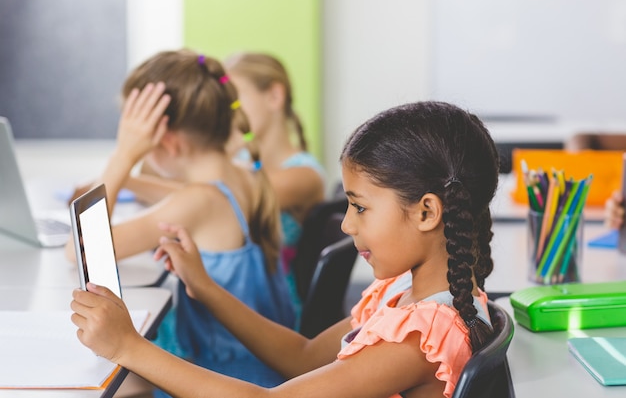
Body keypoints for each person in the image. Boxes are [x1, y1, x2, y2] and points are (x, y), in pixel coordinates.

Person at [71, 101, 500, 398]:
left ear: (427, 212)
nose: (347, 224)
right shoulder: (406, 294)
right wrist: (206, 288)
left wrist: (129, 346)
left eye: (360, 207)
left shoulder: (419, 338)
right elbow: (305, 357)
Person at [66, 49, 296, 389]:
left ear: (168, 141)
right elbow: (183, 195)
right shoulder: (245, 176)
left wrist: (124, 155)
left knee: (102, 381)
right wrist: (127, 174)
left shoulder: (197, 201)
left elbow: (80, 250)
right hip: (261, 369)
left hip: (226, 381)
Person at [224, 52, 326, 275]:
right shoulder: (239, 162)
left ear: (274, 97)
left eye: (234, 99)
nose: (227, 111)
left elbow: (224, 196)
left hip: (270, 302)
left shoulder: (305, 174)